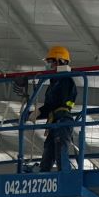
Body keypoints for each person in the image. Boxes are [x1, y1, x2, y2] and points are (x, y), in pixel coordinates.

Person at [34, 45, 77, 173]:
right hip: (54, 122)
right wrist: (33, 114)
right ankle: (44, 177)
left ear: (60, 61)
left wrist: (39, 112)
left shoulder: (66, 80)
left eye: (51, 61)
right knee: (47, 158)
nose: (49, 65)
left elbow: (58, 104)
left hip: (63, 121)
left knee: (60, 155)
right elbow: (50, 107)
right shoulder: (53, 83)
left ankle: (65, 177)